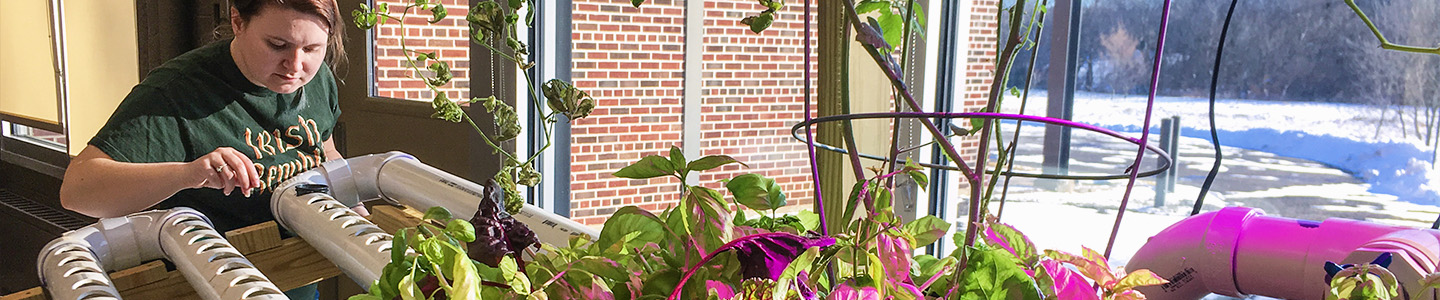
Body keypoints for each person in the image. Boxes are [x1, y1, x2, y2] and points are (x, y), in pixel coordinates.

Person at [58, 0, 353, 298]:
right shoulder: (175, 91)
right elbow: (77, 192)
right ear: (237, 22)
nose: (295, 65)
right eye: (277, 45)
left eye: (312, 49)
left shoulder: (317, 80)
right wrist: (187, 173)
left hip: (299, 278)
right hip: (210, 285)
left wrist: (353, 206)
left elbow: (324, 152)